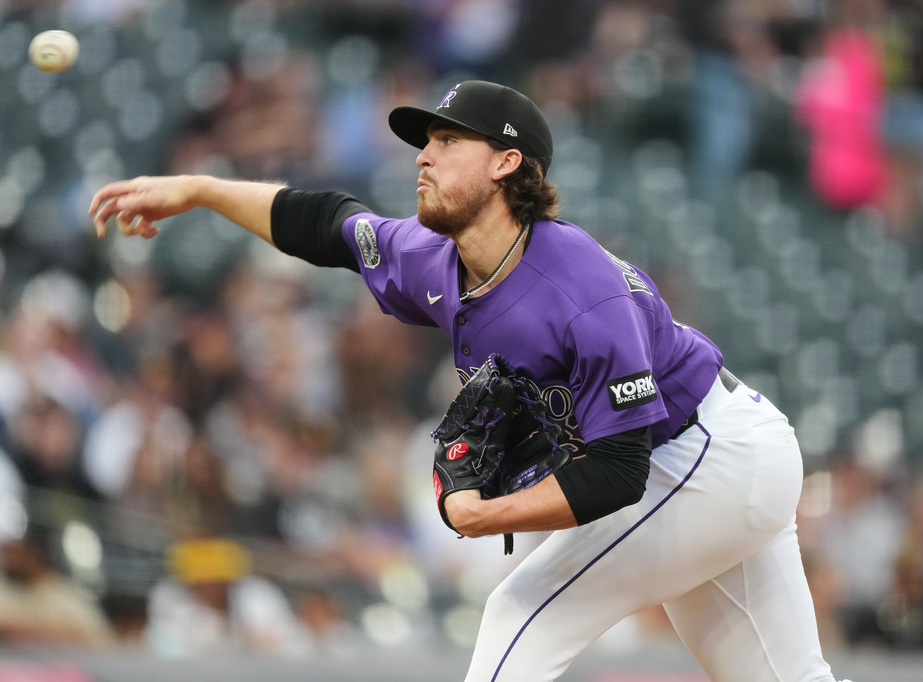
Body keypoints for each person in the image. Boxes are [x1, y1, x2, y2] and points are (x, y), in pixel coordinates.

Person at [90, 80, 850, 681]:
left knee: (522, 612)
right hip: (705, 464)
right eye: (426, 141)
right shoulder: (432, 257)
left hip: (702, 457)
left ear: (506, 163)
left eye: (448, 141)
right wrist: (197, 188)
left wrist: (493, 515)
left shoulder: (581, 287)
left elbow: (618, 474)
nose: (423, 154)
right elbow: (323, 223)